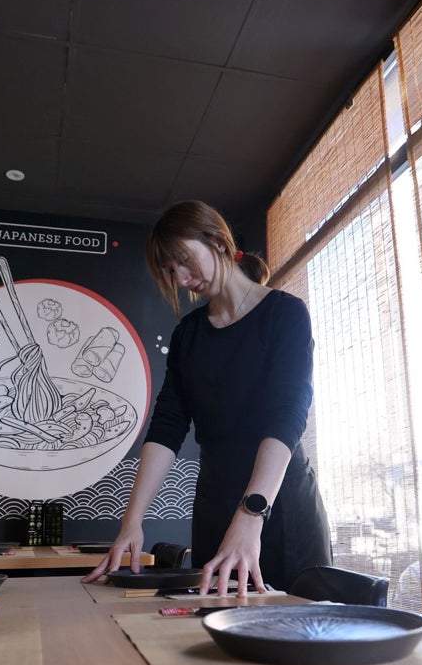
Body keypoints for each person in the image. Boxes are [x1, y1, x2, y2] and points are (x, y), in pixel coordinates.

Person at [83, 200, 332, 596]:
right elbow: (167, 426)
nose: (181, 278)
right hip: (215, 506)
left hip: (277, 507)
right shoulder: (189, 335)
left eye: (184, 260)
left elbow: (288, 416)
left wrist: (252, 513)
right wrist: (132, 521)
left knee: (298, 638)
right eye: (171, 270)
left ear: (216, 240)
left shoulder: (285, 314)